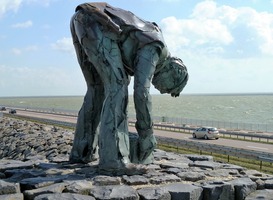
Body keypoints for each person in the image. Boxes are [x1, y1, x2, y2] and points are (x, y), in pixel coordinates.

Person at [69, 2, 189, 173]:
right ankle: (114, 160)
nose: (163, 91)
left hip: (81, 19)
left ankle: (82, 152)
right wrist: (147, 134)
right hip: (98, 22)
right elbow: (141, 92)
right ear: (173, 73)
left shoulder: (150, 38)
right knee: (117, 87)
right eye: (170, 88)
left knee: (97, 89)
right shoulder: (156, 48)